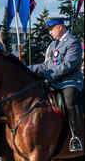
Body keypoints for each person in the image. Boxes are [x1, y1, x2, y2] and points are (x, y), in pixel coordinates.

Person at [28, 17, 83, 152]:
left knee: (69, 100)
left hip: (69, 81)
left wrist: (48, 74)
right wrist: (26, 69)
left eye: (51, 29)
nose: (50, 32)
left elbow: (68, 65)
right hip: (53, 81)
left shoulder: (73, 42)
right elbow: (46, 65)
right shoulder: (53, 45)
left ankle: (76, 136)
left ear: (59, 27)